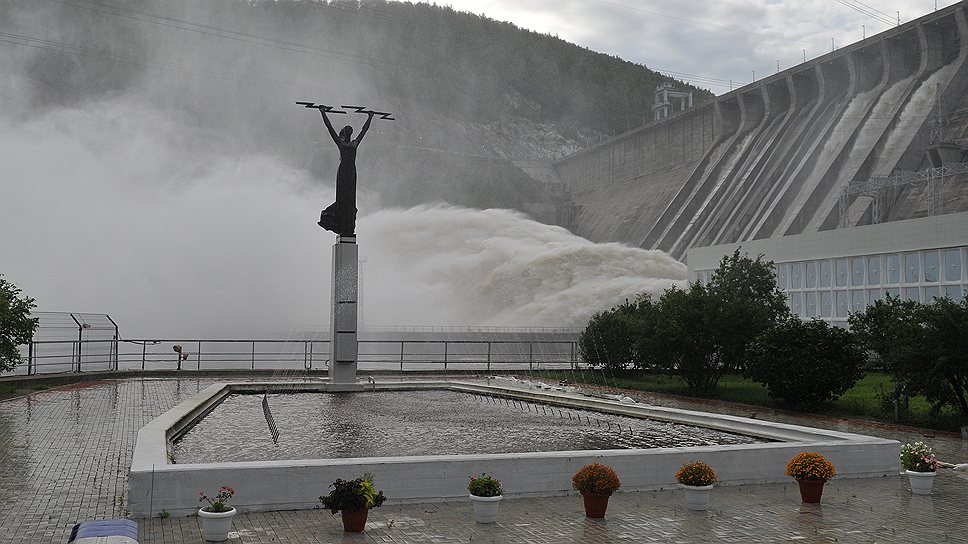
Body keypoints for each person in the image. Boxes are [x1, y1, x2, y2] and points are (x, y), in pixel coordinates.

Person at [317, 109, 375, 237]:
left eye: (351, 132)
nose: (350, 133)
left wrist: (370, 117)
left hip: (352, 173)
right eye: (348, 131)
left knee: (350, 199)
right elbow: (329, 127)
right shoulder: (340, 143)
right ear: (344, 133)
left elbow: (364, 131)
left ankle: (348, 226)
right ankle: (341, 223)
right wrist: (323, 113)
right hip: (343, 172)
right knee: (342, 198)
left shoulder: (355, 143)